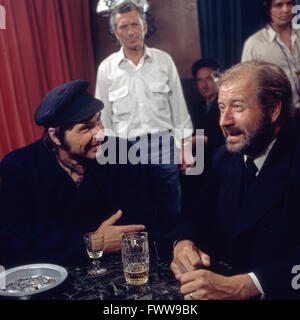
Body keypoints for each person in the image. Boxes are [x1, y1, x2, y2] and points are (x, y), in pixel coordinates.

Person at [171, 61, 300, 300]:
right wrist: (183, 243)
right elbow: (194, 213)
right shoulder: (224, 157)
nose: (224, 121)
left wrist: (247, 286)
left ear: (273, 109)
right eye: (221, 108)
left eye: (237, 106)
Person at [0, 80, 145, 268]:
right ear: (55, 136)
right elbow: (11, 239)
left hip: (116, 266)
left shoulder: (122, 152)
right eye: (86, 128)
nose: (100, 133)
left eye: (98, 121)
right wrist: (90, 242)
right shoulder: (19, 166)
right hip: (52, 273)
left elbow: (139, 220)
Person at [95, 2, 194, 248]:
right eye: (124, 26)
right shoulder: (106, 69)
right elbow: (103, 119)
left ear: (145, 25)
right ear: (115, 32)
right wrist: (108, 159)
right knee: (134, 212)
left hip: (163, 144)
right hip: (125, 150)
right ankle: (142, 265)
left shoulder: (164, 61)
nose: (131, 31)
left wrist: (187, 149)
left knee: (171, 209)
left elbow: (179, 110)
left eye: (135, 25)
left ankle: (173, 261)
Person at [241, 0, 300, 114]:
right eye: (279, 5)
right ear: (267, 9)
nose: (286, 9)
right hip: (280, 117)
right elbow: (247, 87)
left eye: (290, 3)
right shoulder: (254, 44)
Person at [191, 58, 224, 152]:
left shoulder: (226, 105)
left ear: (219, 78)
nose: (204, 85)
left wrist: (203, 140)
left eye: (208, 78)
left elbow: (228, 139)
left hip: (225, 158)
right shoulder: (197, 108)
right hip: (204, 159)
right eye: (200, 80)